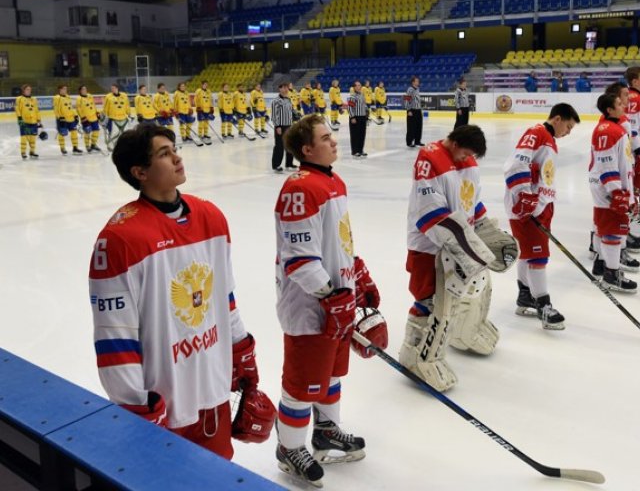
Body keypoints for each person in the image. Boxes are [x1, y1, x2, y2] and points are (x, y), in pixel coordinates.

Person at [89, 124, 276, 461]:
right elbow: (115, 338)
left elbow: (225, 297)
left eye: (174, 149)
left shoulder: (211, 216)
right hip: (164, 408)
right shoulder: (120, 239)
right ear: (140, 172)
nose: (177, 157)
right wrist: (137, 407)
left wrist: (242, 352)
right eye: (164, 153)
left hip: (213, 392)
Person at [273, 114, 386, 487]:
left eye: (332, 135)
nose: (335, 141)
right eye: (325, 137)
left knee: (332, 373)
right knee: (302, 382)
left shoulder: (332, 181)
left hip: (337, 299)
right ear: (307, 150)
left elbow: (340, 241)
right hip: (310, 306)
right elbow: (298, 257)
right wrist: (332, 295)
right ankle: (289, 448)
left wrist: (358, 275)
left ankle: (325, 430)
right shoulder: (299, 187)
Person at [400, 125, 518, 391]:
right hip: (428, 245)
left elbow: (472, 201)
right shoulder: (429, 159)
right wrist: (470, 247)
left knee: (464, 293)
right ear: (453, 143)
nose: (468, 159)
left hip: (460, 241)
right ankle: (414, 355)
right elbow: (429, 214)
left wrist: (485, 231)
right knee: (429, 298)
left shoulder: (469, 160)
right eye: (465, 153)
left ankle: (465, 332)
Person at [504, 103, 580, 330]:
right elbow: (515, 164)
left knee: (528, 253)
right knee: (538, 256)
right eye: (567, 126)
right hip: (528, 208)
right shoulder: (537, 133)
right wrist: (524, 196)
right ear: (557, 119)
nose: (568, 132)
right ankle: (543, 305)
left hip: (539, 206)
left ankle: (525, 295)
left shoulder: (548, 139)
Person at [589, 94, 637, 293]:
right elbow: (606, 164)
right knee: (613, 229)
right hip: (608, 187)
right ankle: (612, 274)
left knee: (605, 226)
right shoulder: (608, 130)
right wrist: (616, 191)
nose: (623, 105)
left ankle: (601, 265)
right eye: (619, 103)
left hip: (611, 186)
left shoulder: (616, 129)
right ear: (609, 109)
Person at [271, 82, 296, 173]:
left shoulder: (288, 99)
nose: (286, 90)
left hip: (289, 125)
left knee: (290, 145)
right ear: (280, 89)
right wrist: (277, 126)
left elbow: (291, 111)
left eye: (287, 88)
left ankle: (289, 164)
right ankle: (276, 165)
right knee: (279, 146)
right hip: (280, 126)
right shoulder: (276, 101)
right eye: (284, 88)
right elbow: (274, 115)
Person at [53, 84, 82, 156]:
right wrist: (59, 117)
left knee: (74, 132)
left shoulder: (68, 97)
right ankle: (62, 148)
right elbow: (56, 109)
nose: (65, 90)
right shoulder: (57, 98)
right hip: (62, 119)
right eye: (64, 89)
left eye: (66, 89)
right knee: (62, 133)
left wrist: (75, 115)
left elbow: (70, 107)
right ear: (60, 90)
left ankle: (75, 148)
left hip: (71, 118)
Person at [15, 84, 41, 160]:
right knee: (24, 137)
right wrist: (19, 118)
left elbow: (37, 110)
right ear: (23, 90)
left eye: (30, 89)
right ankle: (23, 152)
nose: (29, 91)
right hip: (24, 122)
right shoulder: (19, 99)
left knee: (33, 138)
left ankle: (32, 152)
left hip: (33, 121)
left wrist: (39, 120)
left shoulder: (34, 99)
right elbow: (17, 109)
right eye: (27, 89)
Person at [103, 84, 132, 151]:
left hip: (123, 118)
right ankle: (111, 146)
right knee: (114, 133)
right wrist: (104, 117)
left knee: (124, 134)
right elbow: (105, 108)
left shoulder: (124, 96)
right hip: (113, 119)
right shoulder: (108, 97)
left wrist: (129, 114)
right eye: (111, 88)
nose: (112, 89)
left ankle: (123, 146)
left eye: (114, 88)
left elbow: (127, 105)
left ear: (117, 88)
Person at [76, 85, 102, 153]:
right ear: (80, 91)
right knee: (87, 132)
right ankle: (87, 146)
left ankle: (93, 145)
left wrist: (97, 113)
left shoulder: (90, 96)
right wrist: (83, 117)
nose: (85, 90)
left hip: (94, 117)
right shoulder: (79, 99)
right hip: (86, 119)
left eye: (85, 89)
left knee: (96, 131)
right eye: (83, 89)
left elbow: (93, 105)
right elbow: (78, 109)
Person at [347, 80, 368, 158]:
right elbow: (349, 108)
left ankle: (360, 150)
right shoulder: (352, 96)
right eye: (357, 85)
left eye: (360, 85)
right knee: (355, 135)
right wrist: (352, 117)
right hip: (355, 118)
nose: (359, 87)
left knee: (362, 134)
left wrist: (366, 113)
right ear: (354, 87)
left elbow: (364, 105)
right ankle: (355, 151)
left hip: (362, 117)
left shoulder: (362, 95)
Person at [404, 75, 424, 148]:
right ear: (413, 82)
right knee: (411, 127)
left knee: (419, 126)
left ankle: (417, 141)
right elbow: (406, 99)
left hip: (418, 110)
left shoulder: (417, 89)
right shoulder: (410, 89)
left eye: (418, 81)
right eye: (416, 81)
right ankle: (409, 142)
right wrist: (408, 110)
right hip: (412, 111)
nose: (418, 82)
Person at [194, 80, 214, 144]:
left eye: (206, 84)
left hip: (207, 109)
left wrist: (211, 107)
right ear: (202, 85)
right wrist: (198, 107)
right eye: (204, 84)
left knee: (206, 123)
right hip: (201, 109)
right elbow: (196, 99)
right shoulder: (198, 91)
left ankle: (205, 134)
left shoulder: (209, 91)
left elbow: (210, 100)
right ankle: (200, 135)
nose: (206, 85)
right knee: (201, 123)